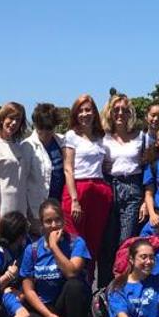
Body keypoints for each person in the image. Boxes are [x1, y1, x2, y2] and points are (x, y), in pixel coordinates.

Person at [19, 200, 93, 317]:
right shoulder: (32, 250)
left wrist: (54, 246)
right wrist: (49, 316)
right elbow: (28, 289)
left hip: (73, 301)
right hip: (47, 306)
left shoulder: (76, 242)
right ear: (41, 224)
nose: (54, 225)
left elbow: (72, 272)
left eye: (57, 220)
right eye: (48, 221)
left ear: (63, 220)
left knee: (73, 284)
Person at [60, 94, 112, 284]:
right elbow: (68, 168)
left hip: (98, 191)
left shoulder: (101, 137)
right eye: (81, 110)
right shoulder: (71, 136)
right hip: (78, 191)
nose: (85, 114)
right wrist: (74, 199)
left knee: (93, 243)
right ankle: (74, 284)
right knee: (76, 241)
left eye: (88, 110)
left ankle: (89, 286)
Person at [0, 102, 46, 241]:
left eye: (18, 119)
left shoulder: (17, 146)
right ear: (2, 118)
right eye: (11, 118)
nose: (14, 123)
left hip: (17, 212)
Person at [103, 93, 148, 262]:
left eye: (124, 110)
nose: (120, 113)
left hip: (132, 187)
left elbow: (146, 168)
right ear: (110, 113)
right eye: (116, 110)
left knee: (126, 240)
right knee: (107, 240)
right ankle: (105, 284)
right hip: (109, 186)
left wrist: (145, 199)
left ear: (130, 113)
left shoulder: (140, 137)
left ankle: (123, 280)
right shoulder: (103, 137)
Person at [24, 103, 66, 200]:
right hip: (37, 203)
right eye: (41, 127)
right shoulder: (27, 146)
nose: (45, 132)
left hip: (60, 201)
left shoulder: (62, 141)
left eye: (49, 127)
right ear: (35, 125)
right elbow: (22, 180)